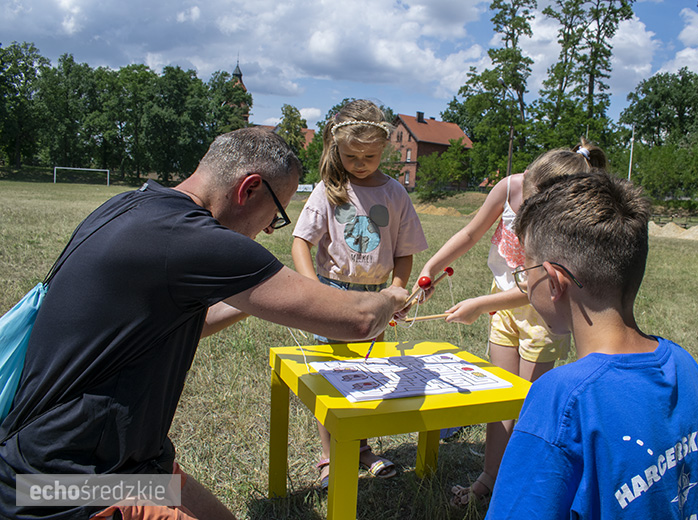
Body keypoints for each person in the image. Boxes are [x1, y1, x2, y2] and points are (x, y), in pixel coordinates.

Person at [0, 127, 408, 520]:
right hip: (68, 487)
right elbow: (359, 322)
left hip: (105, 464)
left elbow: (178, 321)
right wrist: (391, 296)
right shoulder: (199, 239)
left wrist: (270, 298)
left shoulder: (131, 207)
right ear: (249, 189)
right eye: (276, 215)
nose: (268, 229)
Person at [487, 171, 698, 518]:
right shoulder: (685, 366)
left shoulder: (560, 399)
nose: (524, 280)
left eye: (525, 268)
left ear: (554, 281)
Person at [415, 139, 607, 505]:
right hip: (501, 303)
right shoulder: (509, 187)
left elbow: (539, 287)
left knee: (526, 407)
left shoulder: (567, 214)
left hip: (544, 310)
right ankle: (489, 478)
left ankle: (516, 489)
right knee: (499, 399)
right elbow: (470, 233)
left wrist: (480, 304)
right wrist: (430, 268)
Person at [291, 99, 428, 489]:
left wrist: (396, 291)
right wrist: (312, 290)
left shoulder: (395, 194)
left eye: (369, 155)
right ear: (337, 149)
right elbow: (301, 242)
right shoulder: (329, 189)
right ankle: (331, 457)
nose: (360, 162)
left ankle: (362, 448)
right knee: (331, 376)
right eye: (351, 155)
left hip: (375, 299)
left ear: (384, 148)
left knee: (368, 375)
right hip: (332, 294)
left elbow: (404, 252)